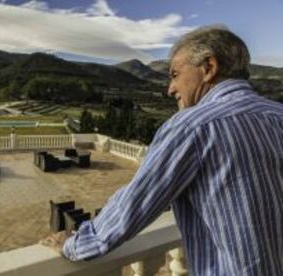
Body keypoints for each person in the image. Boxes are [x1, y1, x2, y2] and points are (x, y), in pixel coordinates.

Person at [40, 26, 283, 275]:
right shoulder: (278, 114)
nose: (170, 89)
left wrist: (75, 244)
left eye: (175, 75)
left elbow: (134, 204)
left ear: (209, 67)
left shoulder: (192, 126)